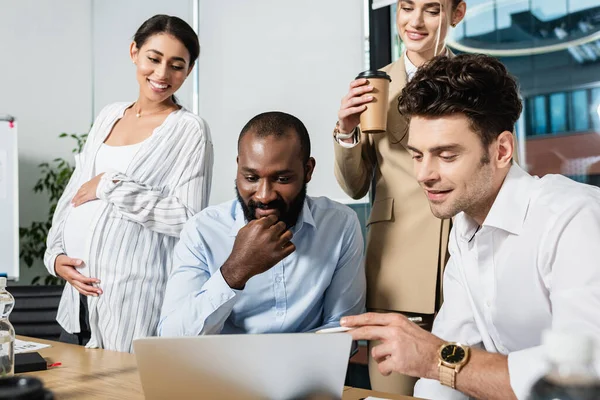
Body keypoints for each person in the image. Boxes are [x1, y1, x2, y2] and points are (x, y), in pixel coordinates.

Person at [341, 54, 600, 400]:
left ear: (502, 150)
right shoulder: (464, 232)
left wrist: (435, 358)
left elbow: (586, 371)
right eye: (417, 155)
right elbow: (446, 371)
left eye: (446, 155)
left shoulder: (573, 218)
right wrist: (435, 363)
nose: (423, 175)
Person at [44, 14, 213, 353]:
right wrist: (56, 256)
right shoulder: (109, 115)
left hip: (131, 305)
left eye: (177, 66)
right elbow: (74, 193)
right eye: (154, 58)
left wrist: (110, 185)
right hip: (77, 302)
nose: (162, 74)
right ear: (134, 52)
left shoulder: (189, 130)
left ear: (189, 70)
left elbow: (186, 218)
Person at [332, 0, 467, 394]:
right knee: (392, 391)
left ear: (456, 14)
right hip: (397, 261)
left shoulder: (476, 81)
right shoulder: (375, 84)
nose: (415, 21)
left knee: (465, 383)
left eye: (431, 9)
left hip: (464, 251)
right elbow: (355, 185)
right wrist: (345, 130)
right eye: (407, 8)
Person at [159, 111, 365, 336]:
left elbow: (344, 329)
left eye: (282, 179)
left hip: (309, 369)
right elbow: (171, 338)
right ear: (238, 168)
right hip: (225, 370)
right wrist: (235, 271)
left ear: (308, 171)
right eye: (251, 178)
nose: (264, 195)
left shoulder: (340, 225)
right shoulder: (202, 231)